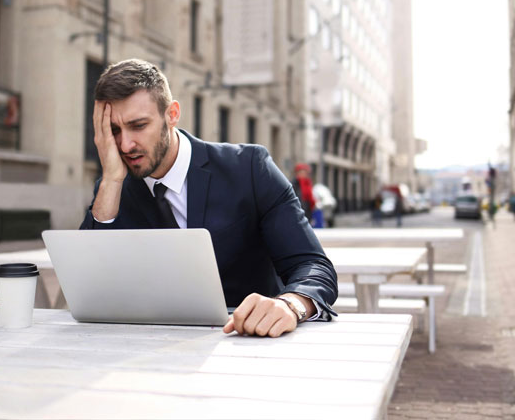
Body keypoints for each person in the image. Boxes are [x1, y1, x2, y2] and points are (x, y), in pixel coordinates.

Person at [80, 59, 338, 338]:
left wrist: (290, 305)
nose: (125, 145)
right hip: (148, 351)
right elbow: (88, 286)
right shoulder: (113, 189)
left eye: (138, 126)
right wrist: (110, 180)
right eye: (114, 131)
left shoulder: (250, 168)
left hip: (248, 345)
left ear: (172, 114)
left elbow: (313, 266)